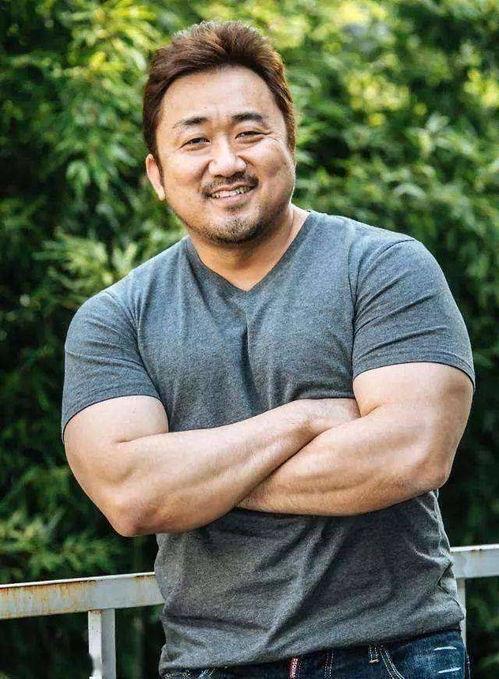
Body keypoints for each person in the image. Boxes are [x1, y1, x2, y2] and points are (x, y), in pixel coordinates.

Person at [61, 20, 475, 679]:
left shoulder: (384, 268)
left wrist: (193, 480)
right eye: (195, 141)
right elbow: (133, 497)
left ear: (289, 142)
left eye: (249, 133)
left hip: (392, 654)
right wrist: (304, 419)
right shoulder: (115, 319)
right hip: (209, 664)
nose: (226, 161)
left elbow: (411, 453)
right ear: (157, 174)